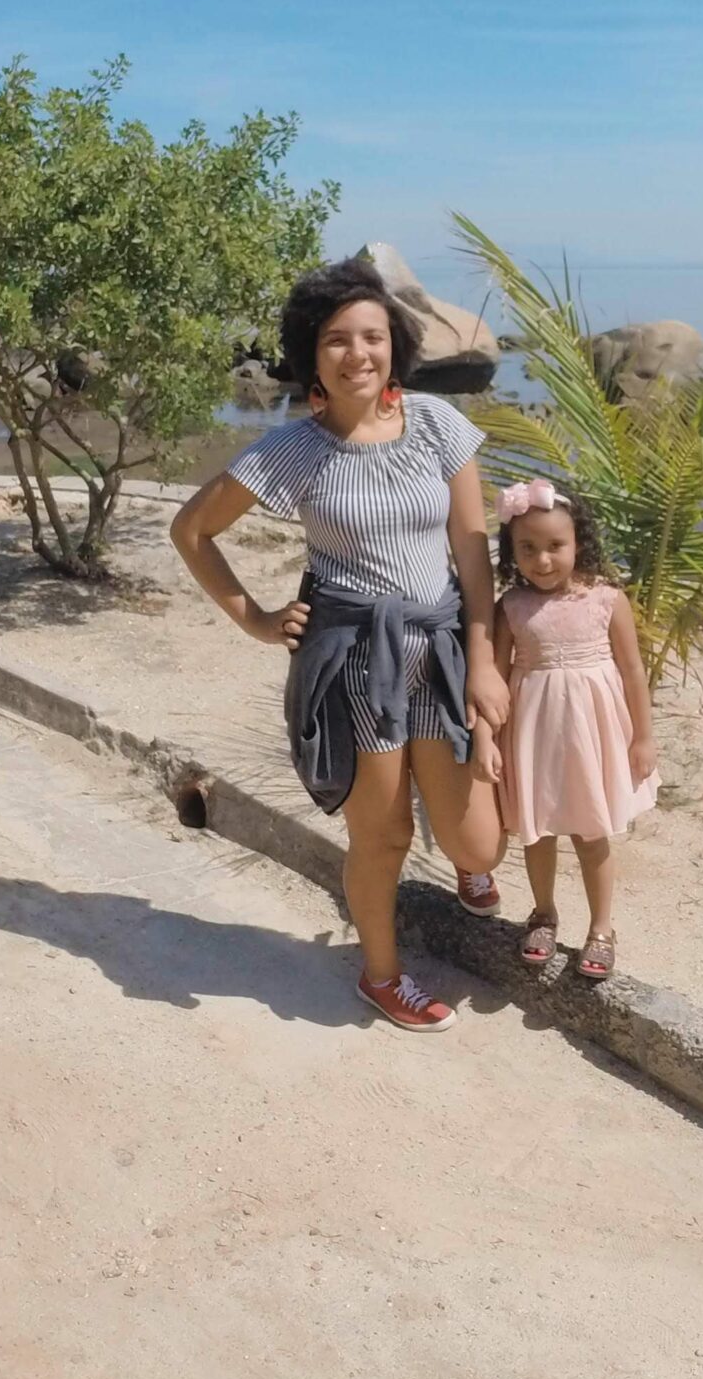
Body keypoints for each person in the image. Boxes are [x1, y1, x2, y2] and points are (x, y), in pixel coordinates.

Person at [170, 257, 509, 1032]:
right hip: (356, 658)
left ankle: (465, 863)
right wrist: (255, 619)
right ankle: (382, 975)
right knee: (383, 836)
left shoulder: (438, 424)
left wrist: (485, 659)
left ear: (396, 345)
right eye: (337, 340)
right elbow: (191, 530)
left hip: (441, 648)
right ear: (311, 355)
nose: (359, 354)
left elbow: (471, 551)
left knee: (481, 847)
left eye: (373, 337)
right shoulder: (294, 450)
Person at [488, 478, 657, 981]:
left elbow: (633, 671)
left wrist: (643, 736)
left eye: (555, 546)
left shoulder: (606, 599)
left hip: (592, 734)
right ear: (512, 552)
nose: (542, 560)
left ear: (578, 542)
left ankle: (601, 928)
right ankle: (543, 913)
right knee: (536, 830)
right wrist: (489, 739)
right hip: (532, 732)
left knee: (592, 831)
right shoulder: (511, 607)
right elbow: (495, 676)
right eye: (528, 548)